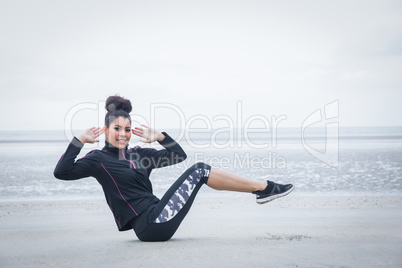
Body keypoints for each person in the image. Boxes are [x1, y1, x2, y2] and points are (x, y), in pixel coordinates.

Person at [54, 95, 294, 242]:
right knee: (200, 170)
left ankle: (262, 189)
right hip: (148, 225)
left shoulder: (140, 155)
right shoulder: (98, 159)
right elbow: (62, 172)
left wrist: (160, 137)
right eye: (117, 129)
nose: (123, 134)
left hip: (158, 213)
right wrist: (79, 142)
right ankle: (263, 188)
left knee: (200, 171)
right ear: (106, 131)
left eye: (127, 130)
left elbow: (178, 156)